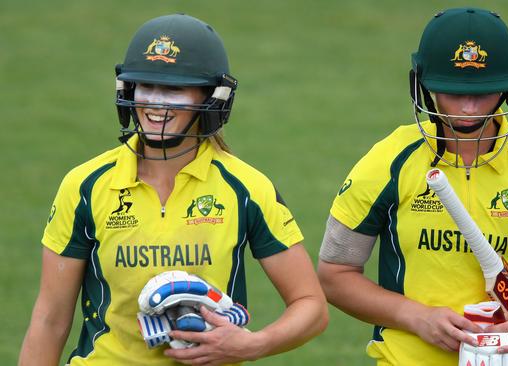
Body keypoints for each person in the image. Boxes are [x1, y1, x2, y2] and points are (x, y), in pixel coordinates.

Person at [19, 13, 327, 366]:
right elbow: (49, 321)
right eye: (146, 86)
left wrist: (252, 344)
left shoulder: (246, 189)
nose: (155, 103)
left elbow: (312, 306)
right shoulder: (85, 186)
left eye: (174, 89)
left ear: (211, 98)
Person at [317, 7, 508, 366]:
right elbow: (334, 274)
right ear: (422, 84)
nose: (469, 108)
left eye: (484, 91)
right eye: (453, 92)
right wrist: (416, 317)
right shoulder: (388, 162)